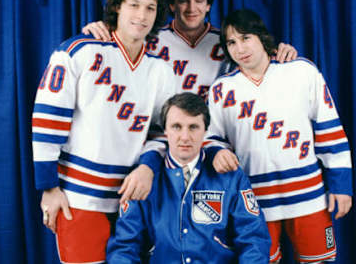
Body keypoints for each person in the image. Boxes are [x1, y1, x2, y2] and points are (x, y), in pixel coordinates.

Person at [32, 0, 177, 263]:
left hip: (135, 201)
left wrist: (148, 166)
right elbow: (48, 121)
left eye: (151, 7)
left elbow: (165, 131)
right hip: (79, 197)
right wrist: (48, 188)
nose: (142, 14)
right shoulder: (78, 52)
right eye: (134, 4)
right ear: (117, 7)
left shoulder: (161, 70)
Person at [207, 9, 353, 263]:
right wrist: (217, 151)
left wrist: (341, 185)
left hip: (310, 197)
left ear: (261, 37)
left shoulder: (301, 72)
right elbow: (211, 137)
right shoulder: (221, 89)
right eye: (231, 42)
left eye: (245, 37)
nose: (240, 47)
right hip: (253, 202)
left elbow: (329, 130)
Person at [82, 0, 298, 100]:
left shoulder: (227, 42)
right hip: (157, 133)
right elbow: (120, 45)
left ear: (208, 6)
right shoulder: (150, 37)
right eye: (183, 1)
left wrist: (280, 52)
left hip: (214, 135)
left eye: (198, 1)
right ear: (172, 6)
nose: (191, 8)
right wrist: (97, 30)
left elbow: (256, 67)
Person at [107, 93, 271, 264]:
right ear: (165, 130)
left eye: (193, 127)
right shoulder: (142, 180)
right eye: (176, 127)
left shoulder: (230, 176)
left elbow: (253, 238)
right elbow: (124, 247)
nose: (185, 137)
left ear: (205, 131)